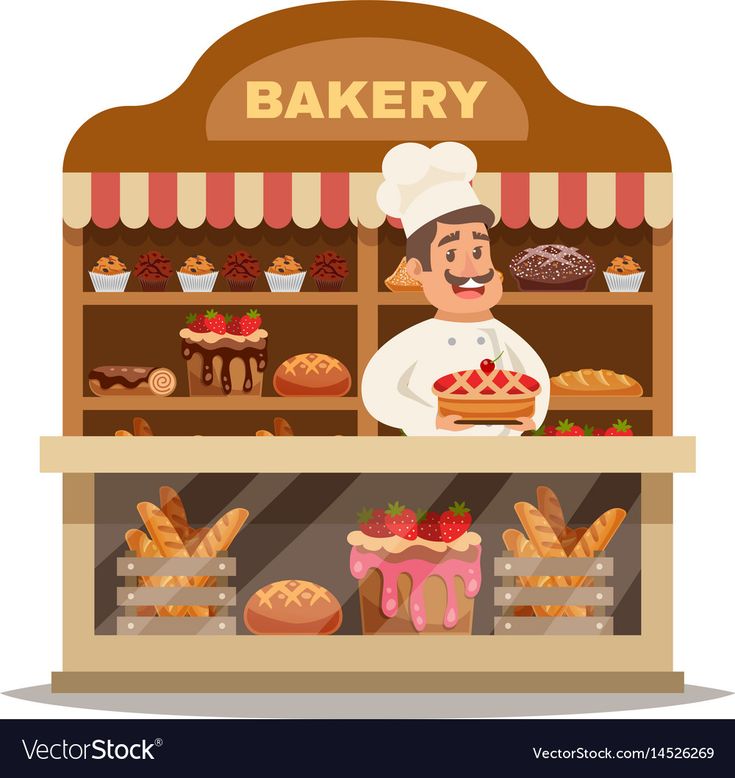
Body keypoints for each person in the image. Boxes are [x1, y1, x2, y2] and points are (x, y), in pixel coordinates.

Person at [362, 141, 549, 436]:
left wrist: (531, 418)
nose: (471, 270)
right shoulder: (416, 340)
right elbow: (378, 393)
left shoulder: (505, 338)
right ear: (417, 270)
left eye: (478, 252)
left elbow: (537, 380)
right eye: (450, 255)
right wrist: (431, 418)